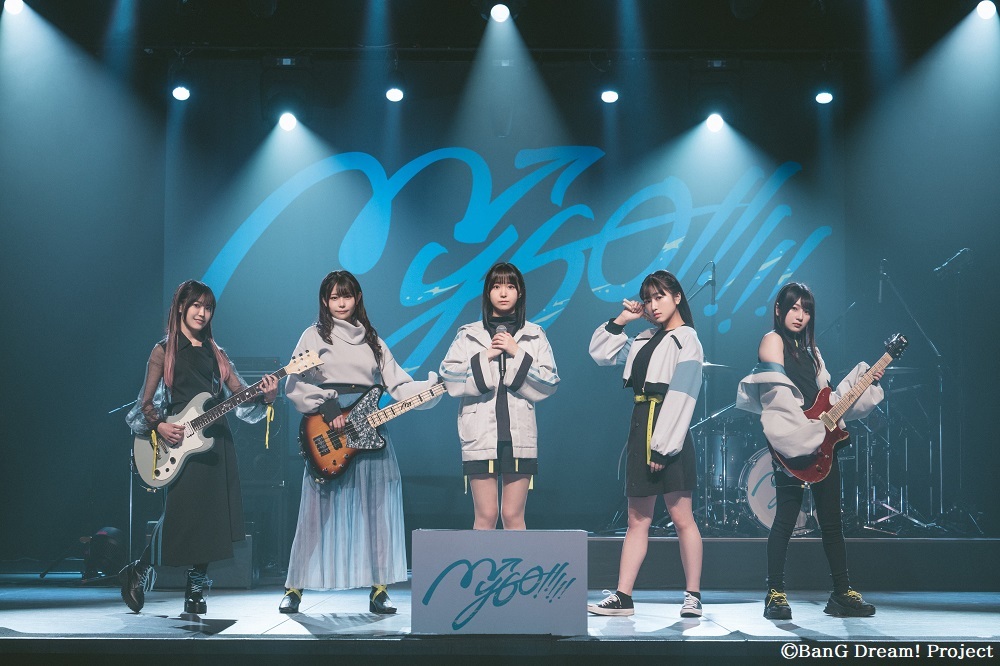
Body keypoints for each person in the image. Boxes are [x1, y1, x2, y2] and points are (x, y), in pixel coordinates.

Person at [279, 270, 440, 614]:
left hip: (369, 432)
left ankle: (379, 589)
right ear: (325, 301)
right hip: (328, 430)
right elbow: (293, 383)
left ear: (358, 298)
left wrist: (431, 389)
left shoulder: (373, 340)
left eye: (347, 295)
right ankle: (294, 588)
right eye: (334, 297)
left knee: (377, 513)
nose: (341, 303)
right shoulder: (313, 335)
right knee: (315, 513)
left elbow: (399, 384)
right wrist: (328, 407)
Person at [121, 280, 278, 615]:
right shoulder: (163, 351)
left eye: (208, 308)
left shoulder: (217, 354)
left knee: (213, 518)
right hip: (179, 442)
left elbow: (240, 397)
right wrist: (160, 425)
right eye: (196, 305)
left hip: (216, 442)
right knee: (179, 515)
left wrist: (266, 397)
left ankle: (195, 589)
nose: (202, 313)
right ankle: (140, 569)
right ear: (181, 306)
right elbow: (144, 405)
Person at [736, 282, 883, 619]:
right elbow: (778, 398)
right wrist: (803, 434)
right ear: (778, 310)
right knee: (786, 519)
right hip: (792, 441)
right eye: (793, 308)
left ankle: (842, 593)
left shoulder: (813, 352)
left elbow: (831, 401)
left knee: (832, 522)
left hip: (822, 444)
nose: (800, 316)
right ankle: (775, 593)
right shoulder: (772, 341)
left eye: (806, 310)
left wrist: (865, 381)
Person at [587, 270, 705, 618]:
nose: (653, 305)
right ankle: (623, 596)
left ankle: (693, 595)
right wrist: (624, 319)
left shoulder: (687, 339)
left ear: (677, 297)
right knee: (637, 519)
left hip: (669, 430)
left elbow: (683, 395)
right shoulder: (643, 338)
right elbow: (600, 353)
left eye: (660, 297)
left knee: (681, 517)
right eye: (648, 299)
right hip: (641, 426)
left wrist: (663, 447)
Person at [439, 262, 559, 530]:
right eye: (496, 287)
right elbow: (449, 376)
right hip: (479, 434)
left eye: (510, 287)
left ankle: (518, 561)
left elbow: (550, 381)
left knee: (513, 516)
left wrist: (517, 352)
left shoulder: (534, 334)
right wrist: (486, 355)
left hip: (519, 436)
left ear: (520, 292)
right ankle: (481, 561)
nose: (503, 293)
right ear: (487, 292)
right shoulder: (468, 334)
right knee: (486, 515)